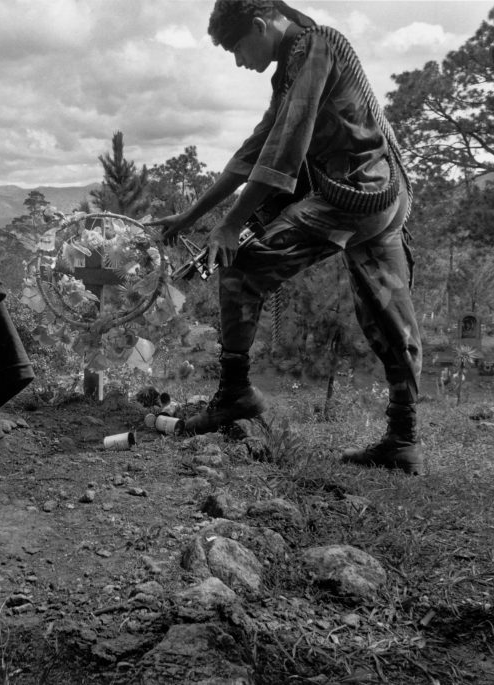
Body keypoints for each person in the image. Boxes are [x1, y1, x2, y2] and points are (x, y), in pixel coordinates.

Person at [148, 0, 423, 474]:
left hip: (355, 196)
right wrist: (194, 214)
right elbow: (256, 148)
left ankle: (235, 393)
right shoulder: (296, 63)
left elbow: (284, 150)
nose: (239, 62)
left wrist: (231, 225)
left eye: (237, 49)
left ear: (260, 25)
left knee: (240, 265)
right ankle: (403, 440)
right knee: (390, 316)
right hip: (384, 193)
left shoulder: (315, 47)